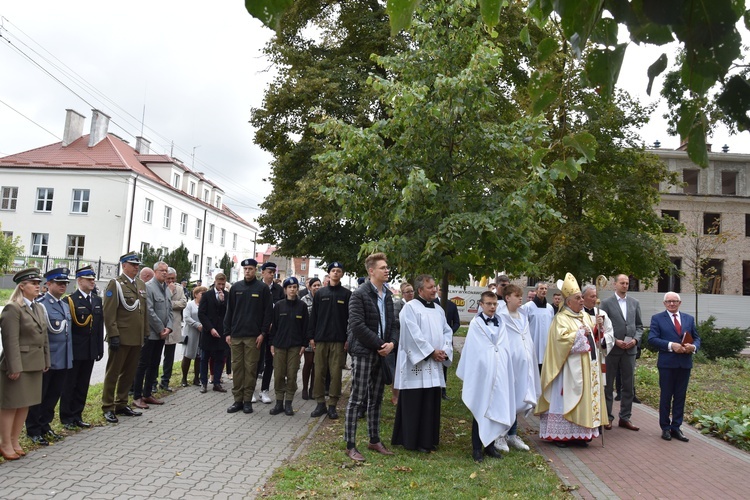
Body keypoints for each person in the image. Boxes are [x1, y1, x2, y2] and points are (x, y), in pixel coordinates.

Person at [536, 273, 606, 447]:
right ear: (568, 302)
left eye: (582, 298)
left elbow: (594, 341)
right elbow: (560, 341)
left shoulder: (584, 316)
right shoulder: (561, 319)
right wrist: (581, 333)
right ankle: (561, 436)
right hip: (566, 371)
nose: (582, 301)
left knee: (583, 400)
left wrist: (597, 328)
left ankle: (580, 434)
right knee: (564, 401)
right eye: (578, 298)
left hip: (585, 368)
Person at [343, 253, 398, 462]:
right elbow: (357, 326)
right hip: (364, 352)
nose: (387, 270)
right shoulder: (359, 294)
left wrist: (391, 344)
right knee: (357, 399)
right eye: (383, 267)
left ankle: (374, 439)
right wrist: (379, 345)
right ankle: (350, 444)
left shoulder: (388, 295)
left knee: (376, 399)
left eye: (387, 267)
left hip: (382, 352)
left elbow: (393, 324)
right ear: (371, 271)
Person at [392, 274, 452, 453]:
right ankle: (411, 441)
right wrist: (430, 352)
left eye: (435, 286)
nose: (434, 289)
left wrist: (444, 350)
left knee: (430, 403)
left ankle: (428, 440)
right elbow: (412, 334)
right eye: (430, 287)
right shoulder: (410, 308)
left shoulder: (439, 309)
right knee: (415, 403)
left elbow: (447, 331)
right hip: (417, 365)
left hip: (434, 365)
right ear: (420, 290)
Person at [456, 291, 512, 462]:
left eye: (495, 304)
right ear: (481, 304)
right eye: (488, 304)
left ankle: (490, 446)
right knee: (480, 408)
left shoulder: (501, 322)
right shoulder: (476, 324)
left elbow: (503, 347)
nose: (492, 307)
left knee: (494, 406)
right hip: (481, 374)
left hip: (498, 373)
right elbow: (475, 351)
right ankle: (476, 448)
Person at [0, 268, 49, 460]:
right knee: (11, 405)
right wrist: (14, 367)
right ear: (22, 286)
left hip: (34, 363)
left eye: (38, 283)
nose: (38, 286)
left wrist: (46, 360)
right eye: (33, 283)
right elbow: (9, 340)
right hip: (18, 364)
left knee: (25, 404)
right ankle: (4, 443)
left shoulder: (37, 307)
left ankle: (14, 440)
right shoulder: (13, 308)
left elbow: (44, 336)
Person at [26, 267, 73, 445]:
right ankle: (33, 429)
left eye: (65, 283)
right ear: (48, 284)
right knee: (40, 396)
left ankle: (45, 426)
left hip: (63, 359)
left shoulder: (64, 305)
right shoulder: (41, 305)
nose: (63, 286)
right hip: (48, 359)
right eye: (59, 283)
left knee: (53, 395)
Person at [101, 251, 148, 424]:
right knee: (113, 372)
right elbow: (109, 312)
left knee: (129, 373)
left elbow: (144, 311)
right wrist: (112, 334)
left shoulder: (141, 284)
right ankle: (107, 406)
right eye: (133, 264)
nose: (137, 267)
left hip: (136, 337)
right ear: (124, 265)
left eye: (138, 265)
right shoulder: (116, 284)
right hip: (120, 336)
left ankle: (121, 403)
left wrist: (146, 332)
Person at [648, 292, 700, 442]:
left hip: (684, 364)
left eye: (674, 301)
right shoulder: (657, 318)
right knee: (666, 396)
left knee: (680, 397)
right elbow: (652, 339)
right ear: (664, 304)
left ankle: (676, 427)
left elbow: (696, 337)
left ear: (680, 302)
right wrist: (671, 345)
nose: (672, 304)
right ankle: (665, 428)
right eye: (669, 301)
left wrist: (693, 347)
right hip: (667, 364)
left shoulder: (688, 319)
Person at [495, 284, 540, 453]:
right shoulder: (501, 316)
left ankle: (512, 434)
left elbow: (526, 338)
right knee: (506, 398)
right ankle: (499, 435)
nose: (520, 299)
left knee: (519, 396)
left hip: (523, 364)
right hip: (508, 363)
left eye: (521, 296)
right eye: (517, 295)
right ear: (507, 298)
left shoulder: (522, 315)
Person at [224, 259, 272, 414]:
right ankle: (237, 400)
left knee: (250, 369)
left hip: (253, 336)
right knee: (237, 369)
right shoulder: (236, 287)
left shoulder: (262, 288)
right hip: (236, 335)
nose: (247, 271)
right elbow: (229, 311)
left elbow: (268, 313)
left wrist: (263, 333)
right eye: (245, 269)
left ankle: (247, 401)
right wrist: (227, 332)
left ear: (256, 270)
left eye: (250, 269)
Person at [59, 265, 104, 430]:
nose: (92, 282)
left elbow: (99, 328)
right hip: (75, 350)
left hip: (90, 350)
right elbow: (68, 330)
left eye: (93, 279)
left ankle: (77, 415)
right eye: (89, 279)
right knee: (70, 384)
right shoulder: (70, 300)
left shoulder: (97, 300)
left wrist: (100, 349)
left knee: (83, 384)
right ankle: (66, 417)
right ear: (79, 281)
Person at [598, 274, 643, 431]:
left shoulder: (634, 303)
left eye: (627, 283)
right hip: (612, 349)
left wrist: (635, 340)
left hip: (630, 350)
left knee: (628, 385)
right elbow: (601, 327)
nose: (625, 285)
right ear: (615, 284)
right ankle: (607, 417)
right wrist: (615, 340)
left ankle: (625, 417)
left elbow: (639, 326)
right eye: (622, 283)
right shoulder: (606, 303)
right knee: (608, 384)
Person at [308, 262, 351, 420]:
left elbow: (350, 319)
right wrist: (311, 337)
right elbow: (314, 317)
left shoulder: (346, 294)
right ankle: (320, 403)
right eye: (333, 270)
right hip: (321, 340)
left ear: (341, 274)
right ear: (329, 273)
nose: (335, 273)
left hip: (339, 340)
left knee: (335, 373)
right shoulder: (320, 293)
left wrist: (348, 339)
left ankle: (332, 405)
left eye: (338, 271)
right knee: (319, 372)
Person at [132, 261, 173, 409]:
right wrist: (161, 328)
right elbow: (149, 311)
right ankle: (137, 396)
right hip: (150, 334)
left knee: (154, 365)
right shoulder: (148, 287)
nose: (165, 273)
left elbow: (170, 310)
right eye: (162, 270)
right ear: (155, 272)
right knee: (143, 364)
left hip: (162, 334)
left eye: (166, 270)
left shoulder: (166, 289)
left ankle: (147, 393)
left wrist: (168, 327)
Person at [268, 277, 308, 416]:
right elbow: (273, 327)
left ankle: (288, 403)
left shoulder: (302, 306)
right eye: (289, 287)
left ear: (297, 289)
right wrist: (271, 343)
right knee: (278, 374)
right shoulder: (279, 305)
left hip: (295, 346)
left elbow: (305, 327)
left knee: (291, 375)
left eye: (295, 287)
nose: (292, 289)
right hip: (279, 345)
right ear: (285, 289)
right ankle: (279, 402)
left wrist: (304, 344)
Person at [257, 262, 284, 404]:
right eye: (269, 271)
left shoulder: (279, 290)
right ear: (262, 272)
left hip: (273, 331)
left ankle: (264, 390)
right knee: (255, 360)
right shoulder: (257, 287)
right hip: (259, 330)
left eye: (273, 272)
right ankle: (252, 390)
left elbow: (281, 309)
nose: (272, 274)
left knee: (270, 361)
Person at [199, 274, 231, 394]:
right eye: (219, 284)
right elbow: (201, 313)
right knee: (204, 358)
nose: (221, 287)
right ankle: (204, 383)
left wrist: (223, 302)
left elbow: (228, 313)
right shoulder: (207, 295)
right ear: (215, 282)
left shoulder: (227, 296)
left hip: (222, 332)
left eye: (223, 284)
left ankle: (217, 382)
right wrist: (210, 328)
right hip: (208, 332)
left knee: (219, 358)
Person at [160, 267, 187, 392]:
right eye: (168, 278)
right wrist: (170, 295)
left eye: (172, 278)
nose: (170, 281)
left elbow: (183, 303)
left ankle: (165, 382)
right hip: (160, 327)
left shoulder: (180, 289)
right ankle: (153, 383)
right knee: (155, 356)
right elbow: (160, 304)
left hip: (174, 327)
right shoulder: (160, 288)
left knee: (169, 357)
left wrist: (170, 303)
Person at [521, 281, 555, 373]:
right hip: (533, 341)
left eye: (545, 289)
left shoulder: (549, 308)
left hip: (546, 343)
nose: (544, 291)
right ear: (536, 290)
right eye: (541, 288)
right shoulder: (528, 307)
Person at [391, 282, 414, 405]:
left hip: (412, 342)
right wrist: (408, 322)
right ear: (402, 293)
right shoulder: (398, 304)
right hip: (400, 340)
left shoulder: (416, 305)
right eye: (407, 292)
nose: (410, 294)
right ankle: (395, 395)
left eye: (412, 291)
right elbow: (394, 320)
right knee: (397, 369)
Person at [436, 285, 460, 401]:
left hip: (446, 341)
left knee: (444, 366)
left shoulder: (452, 305)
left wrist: (449, 333)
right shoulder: (432, 303)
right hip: (434, 341)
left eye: (444, 290)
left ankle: (443, 391)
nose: (441, 292)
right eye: (440, 289)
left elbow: (456, 322)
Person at [300, 277, 321, 400]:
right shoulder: (304, 300)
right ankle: (304, 388)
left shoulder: (323, 299)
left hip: (319, 337)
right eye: (314, 285)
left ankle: (313, 388)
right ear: (310, 287)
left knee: (316, 364)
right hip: (308, 336)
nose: (317, 288)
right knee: (308, 363)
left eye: (319, 285)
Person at [182, 285, 206, 388]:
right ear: (196, 294)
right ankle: (184, 378)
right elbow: (186, 317)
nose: (204, 296)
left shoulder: (205, 305)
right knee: (187, 355)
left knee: (199, 356)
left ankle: (196, 378)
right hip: (191, 332)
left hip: (202, 333)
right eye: (202, 294)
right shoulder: (190, 305)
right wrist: (197, 325)